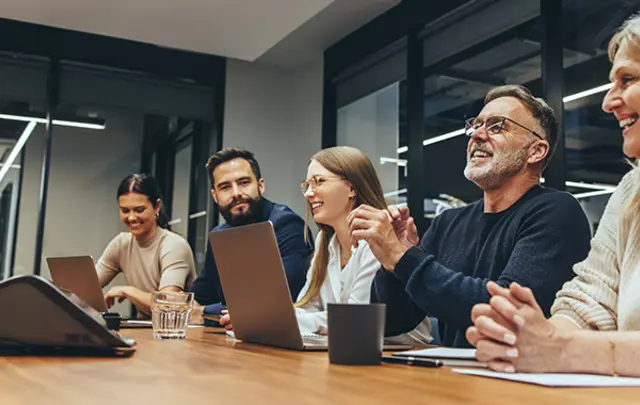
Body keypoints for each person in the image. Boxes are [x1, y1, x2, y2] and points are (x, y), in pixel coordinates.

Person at [348, 84, 592, 347]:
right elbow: (392, 322)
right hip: (454, 379)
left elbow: (504, 314)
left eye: (497, 126)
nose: (477, 135)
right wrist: (392, 263)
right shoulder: (448, 222)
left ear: (536, 151)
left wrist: (403, 257)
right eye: (476, 125)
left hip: (518, 380)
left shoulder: (557, 211)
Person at [467, 14, 640, 377]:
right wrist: (535, 336)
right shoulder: (631, 191)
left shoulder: (555, 210)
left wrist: (561, 348)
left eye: (628, 79)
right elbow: (590, 300)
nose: (608, 102)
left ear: (537, 152)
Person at [220, 146, 431, 342]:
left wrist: (274, 319)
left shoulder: (380, 237)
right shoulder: (325, 241)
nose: (308, 193)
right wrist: (261, 317)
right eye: (307, 185)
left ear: (352, 188)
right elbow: (308, 306)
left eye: (319, 181)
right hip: (351, 350)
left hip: (403, 357)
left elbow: (356, 318)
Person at [190, 148, 313, 323]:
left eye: (244, 182)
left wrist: (204, 312)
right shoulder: (219, 236)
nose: (236, 193)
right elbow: (198, 296)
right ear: (215, 196)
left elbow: (276, 303)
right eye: (225, 187)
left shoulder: (287, 225)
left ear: (260, 185)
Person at [99, 173, 196, 315]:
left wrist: (127, 290)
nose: (131, 217)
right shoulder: (121, 244)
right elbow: (87, 287)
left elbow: (167, 303)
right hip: (145, 328)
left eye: (139, 210)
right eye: (125, 211)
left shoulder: (174, 245)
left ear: (156, 207)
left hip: (180, 331)